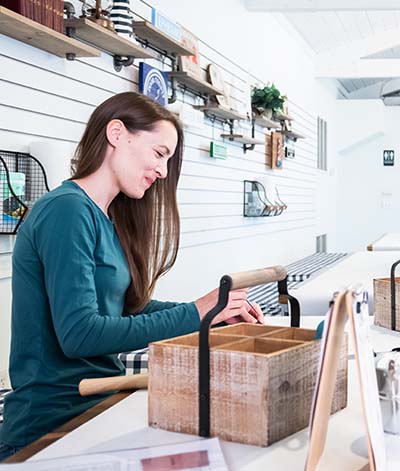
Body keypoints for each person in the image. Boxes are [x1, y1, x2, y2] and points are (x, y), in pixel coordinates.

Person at [0, 93, 264, 460]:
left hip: (95, 407)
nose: (163, 172)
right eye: (159, 153)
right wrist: (195, 313)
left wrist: (212, 313)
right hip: (50, 429)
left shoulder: (104, 217)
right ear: (117, 134)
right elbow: (81, 334)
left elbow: (127, 308)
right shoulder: (66, 211)